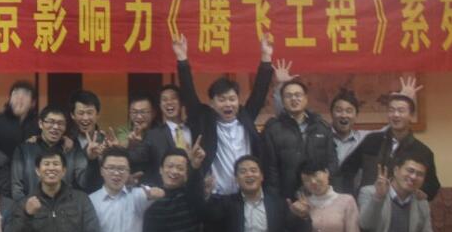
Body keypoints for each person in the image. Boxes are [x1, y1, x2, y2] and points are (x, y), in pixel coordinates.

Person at [172, 33, 274, 195]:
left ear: (238, 101)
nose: (228, 104)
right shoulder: (205, 121)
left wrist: (266, 57)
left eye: (232, 99)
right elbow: (188, 92)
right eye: (222, 99)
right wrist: (182, 59)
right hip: (216, 196)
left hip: (246, 194)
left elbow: (260, 91)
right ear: (212, 103)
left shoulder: (246, 116)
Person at [341, 90, 440, 201]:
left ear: (411, 116)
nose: (396, 115)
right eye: (391, 110)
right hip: (369, 203)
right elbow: (346, 170)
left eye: (401, 111)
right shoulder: (372, 140)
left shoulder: (422, 151)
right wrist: (350, 197)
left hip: (403, 206)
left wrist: (419, 193)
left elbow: (432, 186)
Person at [262, 79, 336, 200]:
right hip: (286, 196)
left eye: (298, 95)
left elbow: (332, 161)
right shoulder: (272, 129)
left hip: (319, 194)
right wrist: (275, 197)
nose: (294, 99)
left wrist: (323, 183)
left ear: (306, 98)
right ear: (282, 101)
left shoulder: (321, 126)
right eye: (288, 96)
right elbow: (270, 168)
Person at [10, 105, 91, 200]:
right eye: (51, 122)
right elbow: (17, 189)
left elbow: (84, 183)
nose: (56, 127)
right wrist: (27, 207)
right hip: (33, 207)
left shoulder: (73, 151)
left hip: (65, 207)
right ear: (40, 124)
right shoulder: (24, 151)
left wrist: (92, 159)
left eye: (60, 123)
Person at [139, 85, 192, 187]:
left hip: (192, 190)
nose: (169, 102)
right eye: (164, 100)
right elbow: (141, 162)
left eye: (173, 98)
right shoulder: (152, 135)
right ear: (160, 105)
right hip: (164, 192)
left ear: (181, 103)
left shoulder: (194, 130)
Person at [0, 80, 39, 158]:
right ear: (9, 99)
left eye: (26, 94)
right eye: (16, 93)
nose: (20, 97)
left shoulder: (39, 124)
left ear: (33, 103)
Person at [328, 90, 370, 166]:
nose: (344, 115)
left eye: (349, 111)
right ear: (331, 113)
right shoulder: (320, 137)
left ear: (356, 115)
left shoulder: (364, 138)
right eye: (339, 110)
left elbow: (386, 132)